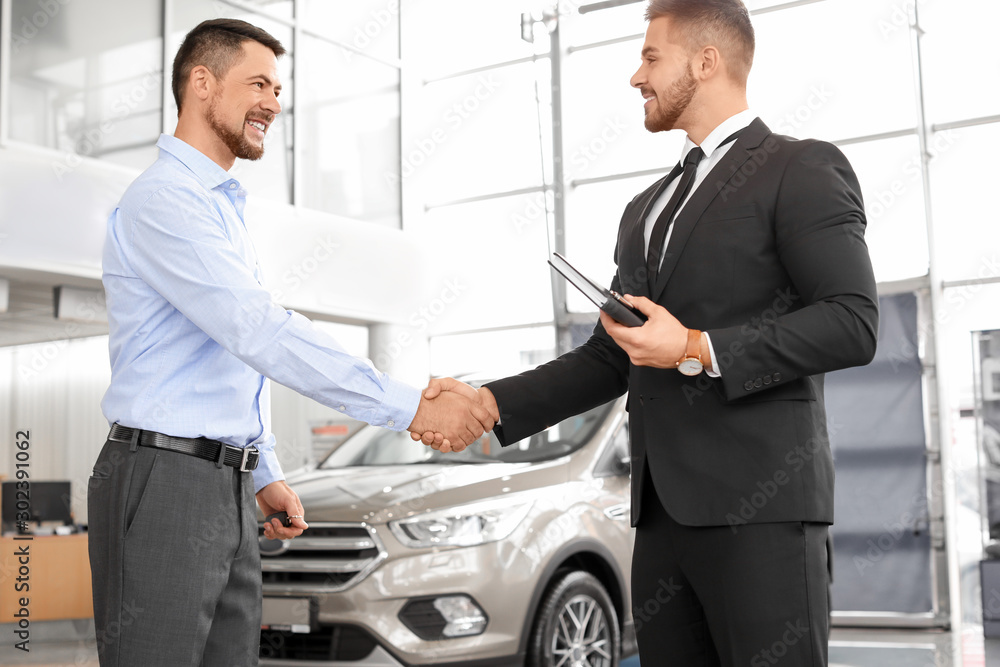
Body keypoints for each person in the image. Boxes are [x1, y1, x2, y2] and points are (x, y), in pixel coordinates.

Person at [418, 1, 878, 664]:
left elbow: (852, 319)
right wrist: (487, 403)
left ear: (706, 61)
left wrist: (696, 347)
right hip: (660, 519)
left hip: (762, 515)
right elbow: (611, 358)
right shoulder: (646, 209)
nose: (637, 77)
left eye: (650, 57)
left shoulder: (800, 169)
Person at [89, 18, 491, 666]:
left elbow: (233, 355)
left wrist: (264, 469)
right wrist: (409, 404)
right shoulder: (164, 201)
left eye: (278, 88)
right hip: (163, 481)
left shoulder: (222, 207)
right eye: (259, 84)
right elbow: (259, 331)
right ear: (201, 83)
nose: (275, 103)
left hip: (227, 484)